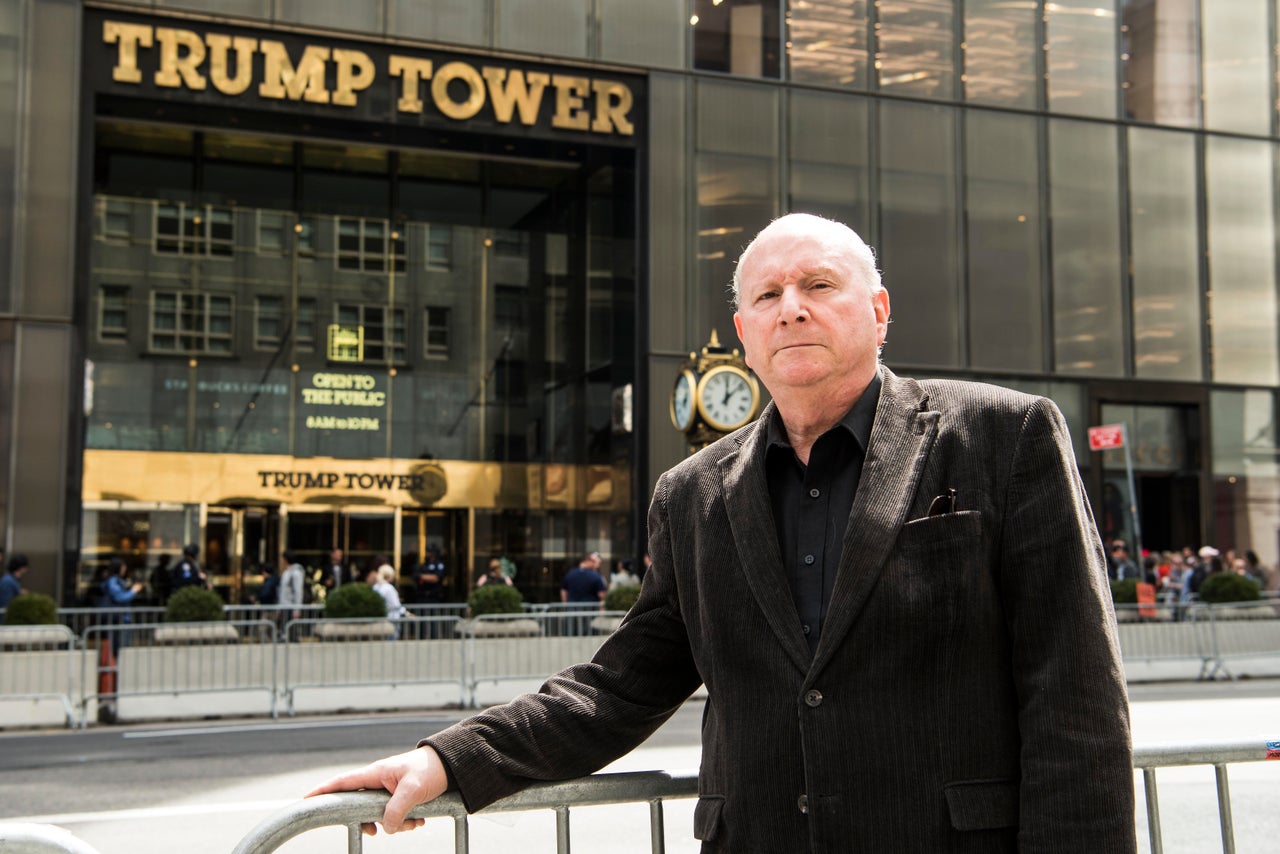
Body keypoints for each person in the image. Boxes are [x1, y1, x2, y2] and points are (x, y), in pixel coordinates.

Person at [309, 213, 1135, 851]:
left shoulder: (1003, 435)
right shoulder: (691, 494)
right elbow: (621, 685)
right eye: (767, 296)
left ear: (879, 311)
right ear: (743, 332)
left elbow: (1076, 696)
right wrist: (449, 758)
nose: (792, 310)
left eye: (819, 285)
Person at [96, 557, 144, 649]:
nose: (124, 569)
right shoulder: (113, 581)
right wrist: (133, 591)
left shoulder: (116, 581)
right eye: (123, 567)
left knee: (119, 644)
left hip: (119, 617)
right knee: (120, 645)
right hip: (118, 617)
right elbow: (119, 597)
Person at [278, 551, 306, 627]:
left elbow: (298, 592)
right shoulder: (286, 572)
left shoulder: (296, 572)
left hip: (291, 607)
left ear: (286, 560)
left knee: (291, 632)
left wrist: (297, 609)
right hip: (284, 606)